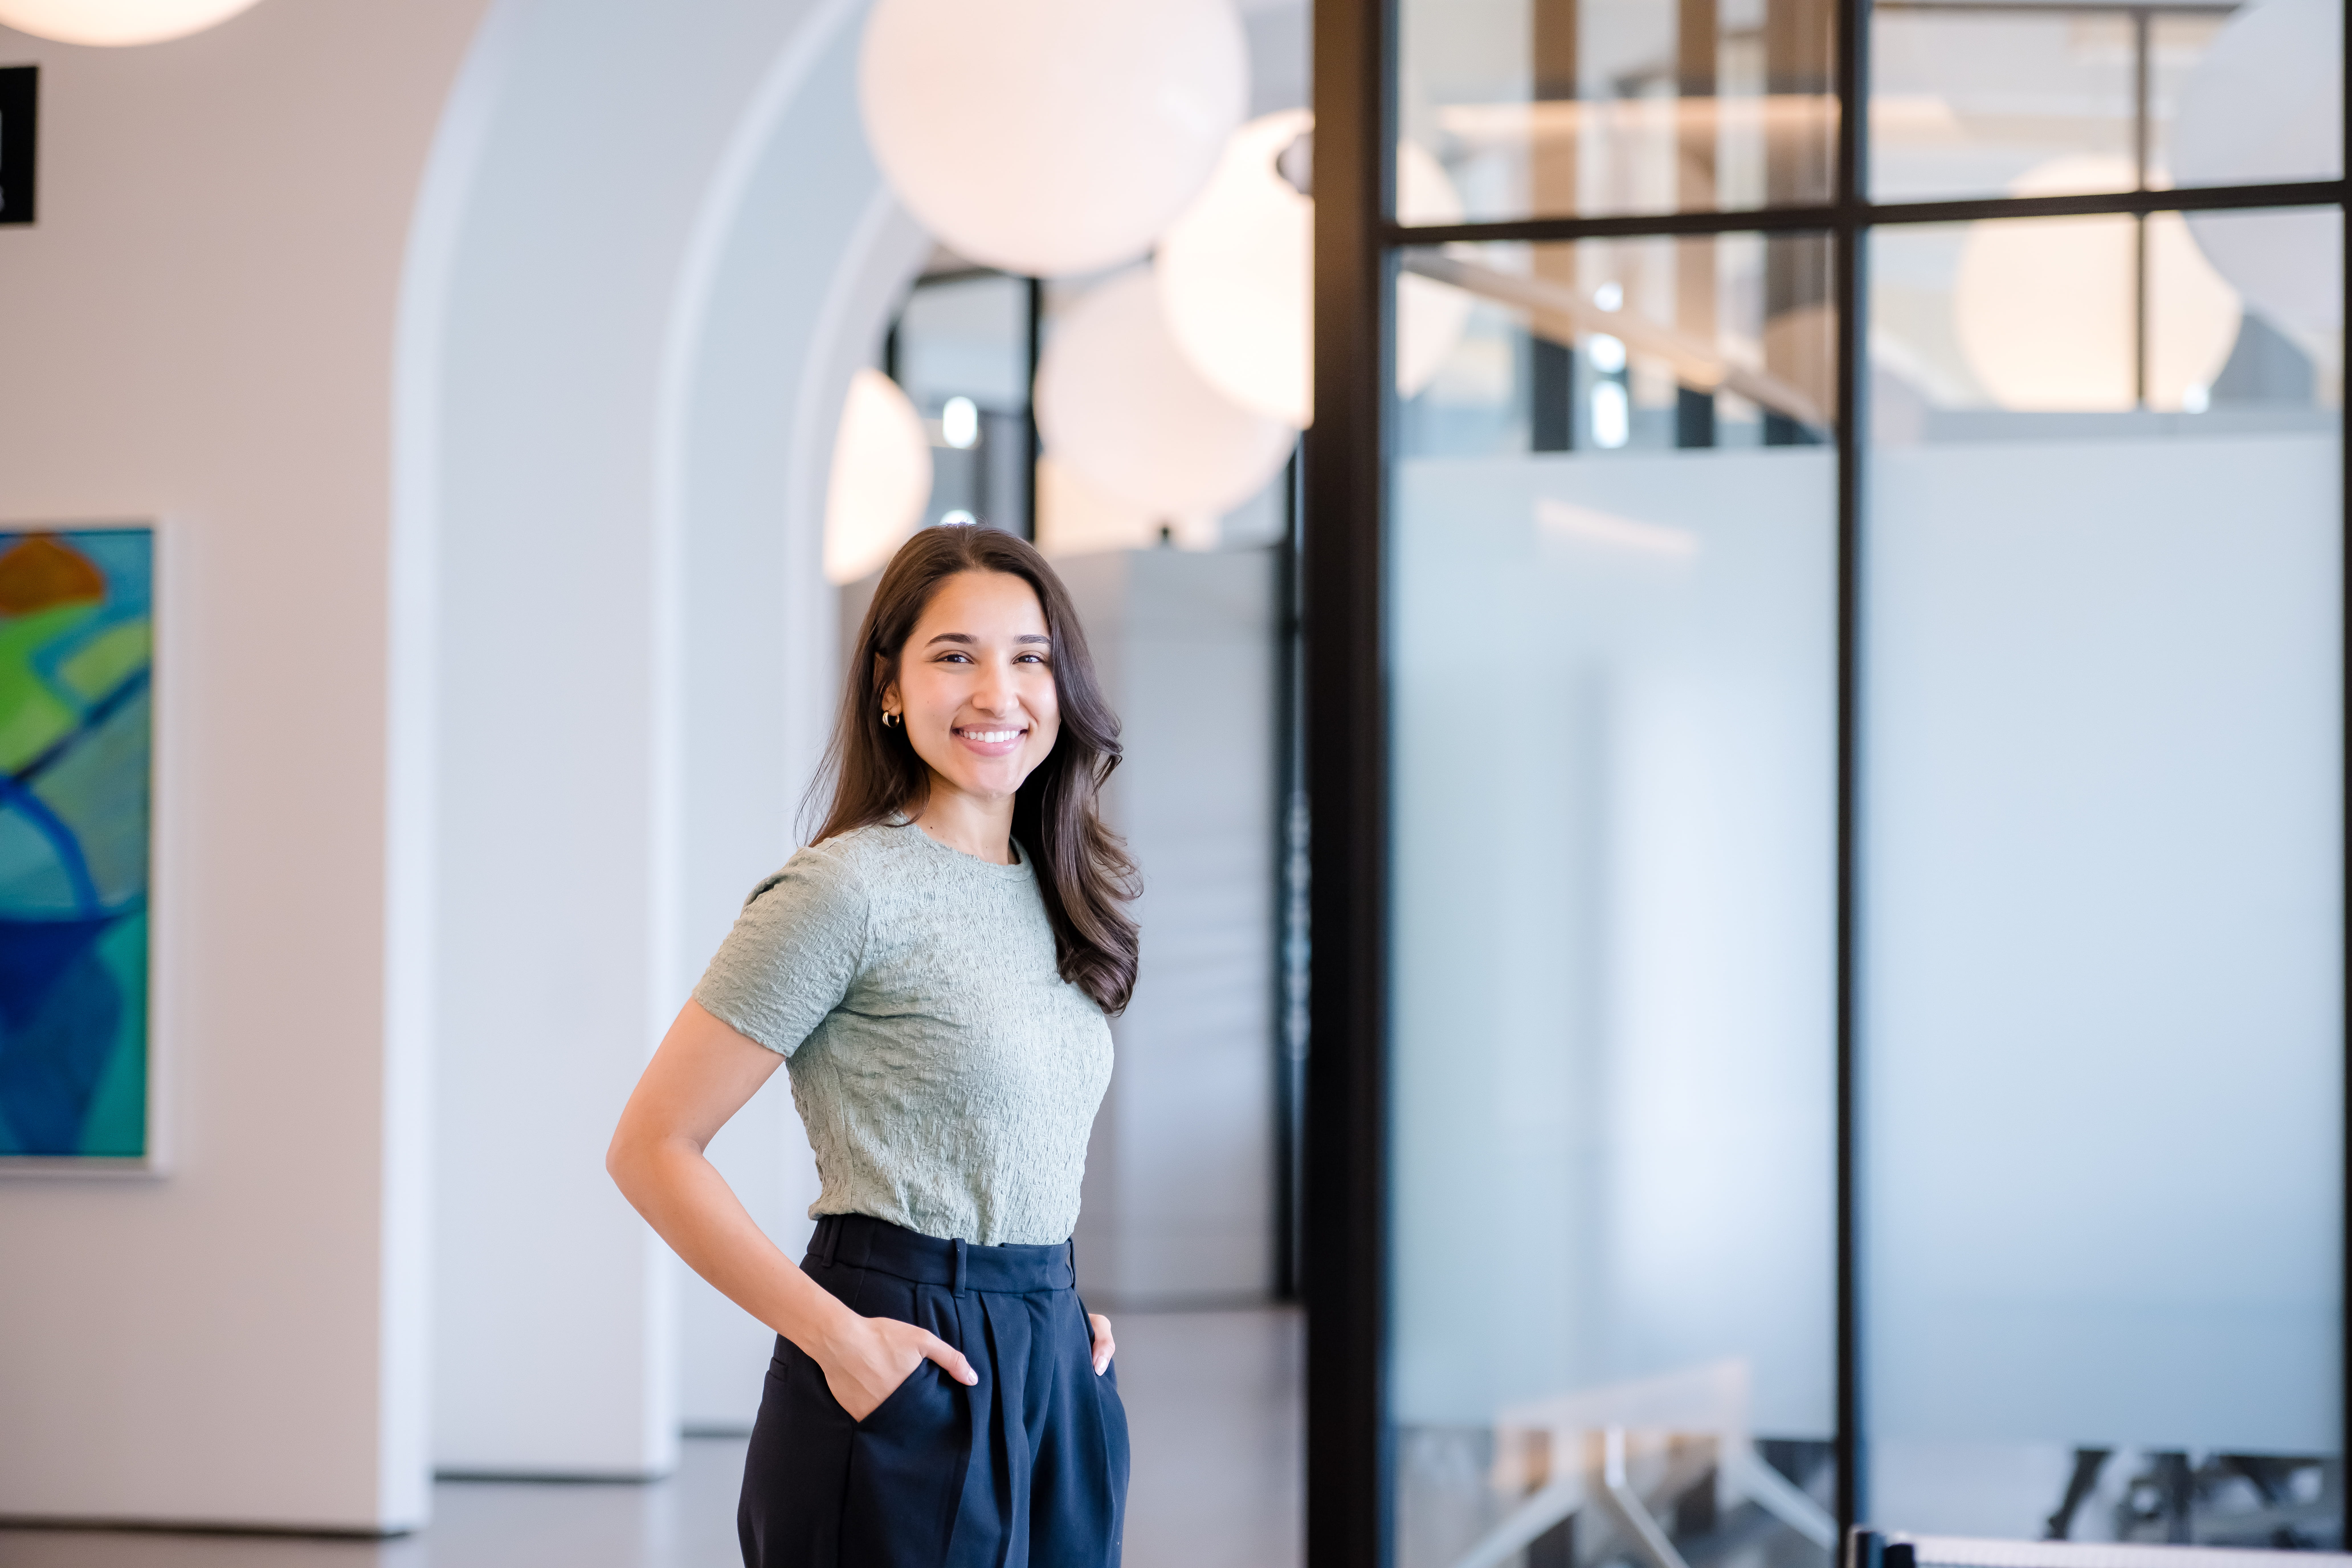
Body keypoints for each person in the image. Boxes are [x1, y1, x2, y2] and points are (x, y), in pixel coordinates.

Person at [607, 522, 1141, 1568]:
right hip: (902, 1344)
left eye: (1029, 657)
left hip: (1051, 1360)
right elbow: (652, 1146)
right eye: (956, 656)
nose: (999, 693)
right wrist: (840, 1340)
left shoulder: (1058, 888)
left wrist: (1051, 1311)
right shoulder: (844, 893)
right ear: (890, 688)